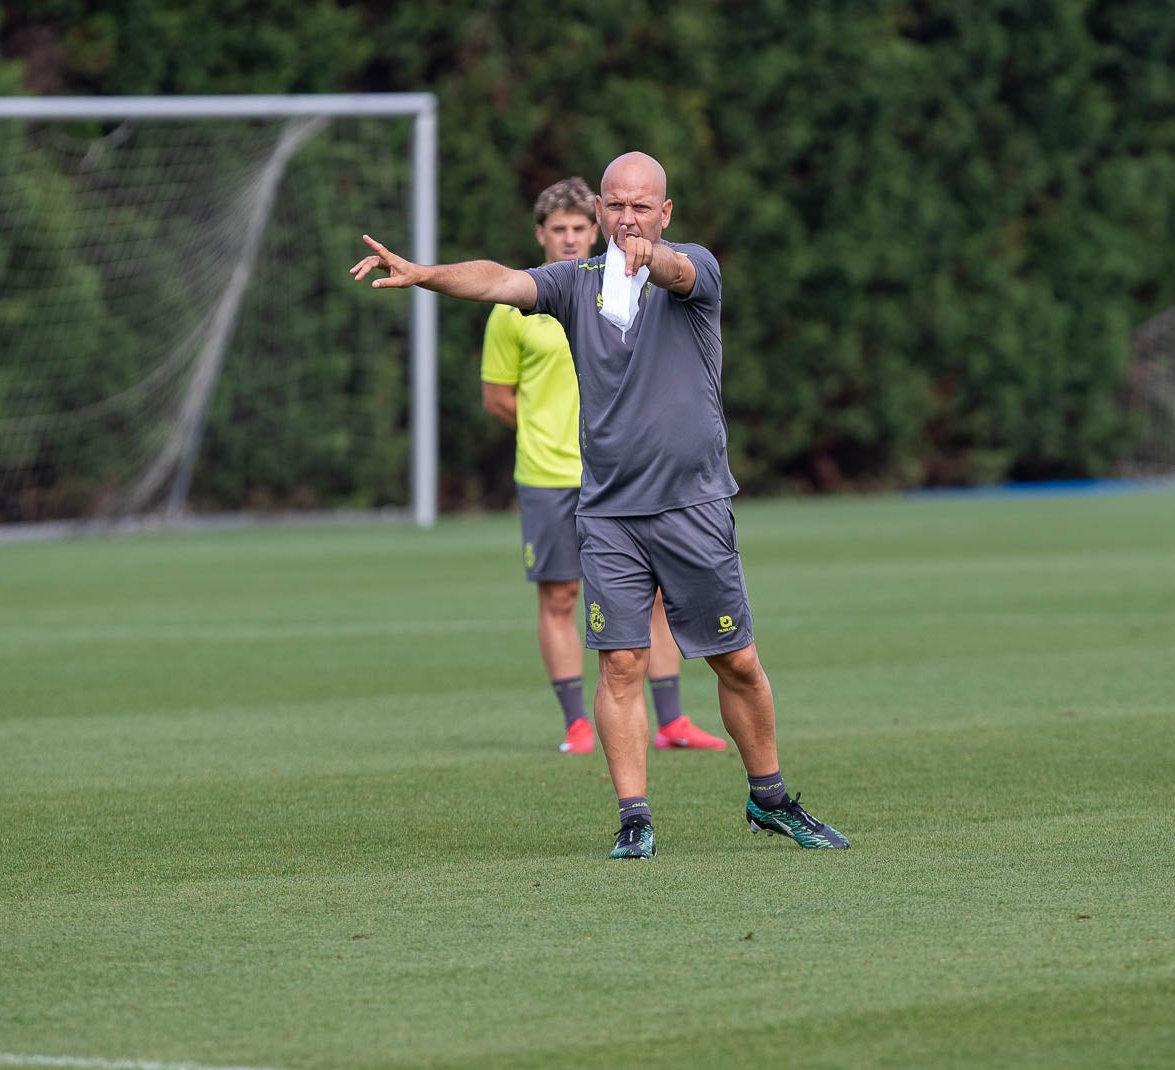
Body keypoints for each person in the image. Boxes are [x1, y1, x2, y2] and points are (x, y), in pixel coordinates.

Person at [356, 151, 846, 858]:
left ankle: (770, 798)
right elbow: (499, 279)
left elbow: (677, 271)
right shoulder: (575, 283)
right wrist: (426, 275)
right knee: (620, 664)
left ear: (665, 212)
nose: (625, 219)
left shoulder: (694, 271)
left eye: (640, 207)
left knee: (736, 662)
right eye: (613, 207)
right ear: (596, 215)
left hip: (693, 505)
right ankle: (634, 818)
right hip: (610, 511)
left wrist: (653, 257)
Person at [478, 177, 726, 755]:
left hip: (624, 477)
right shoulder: (522, 307)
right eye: (558, 230)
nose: (569, 239)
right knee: (561, 597)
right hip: (549, 473)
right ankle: (575, 722)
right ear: (540, 235)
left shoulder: (625, 291)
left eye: (578, 229)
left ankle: (671, 719)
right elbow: (496, 397)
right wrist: (550, 434)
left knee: (659, 597)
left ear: (596, 229)